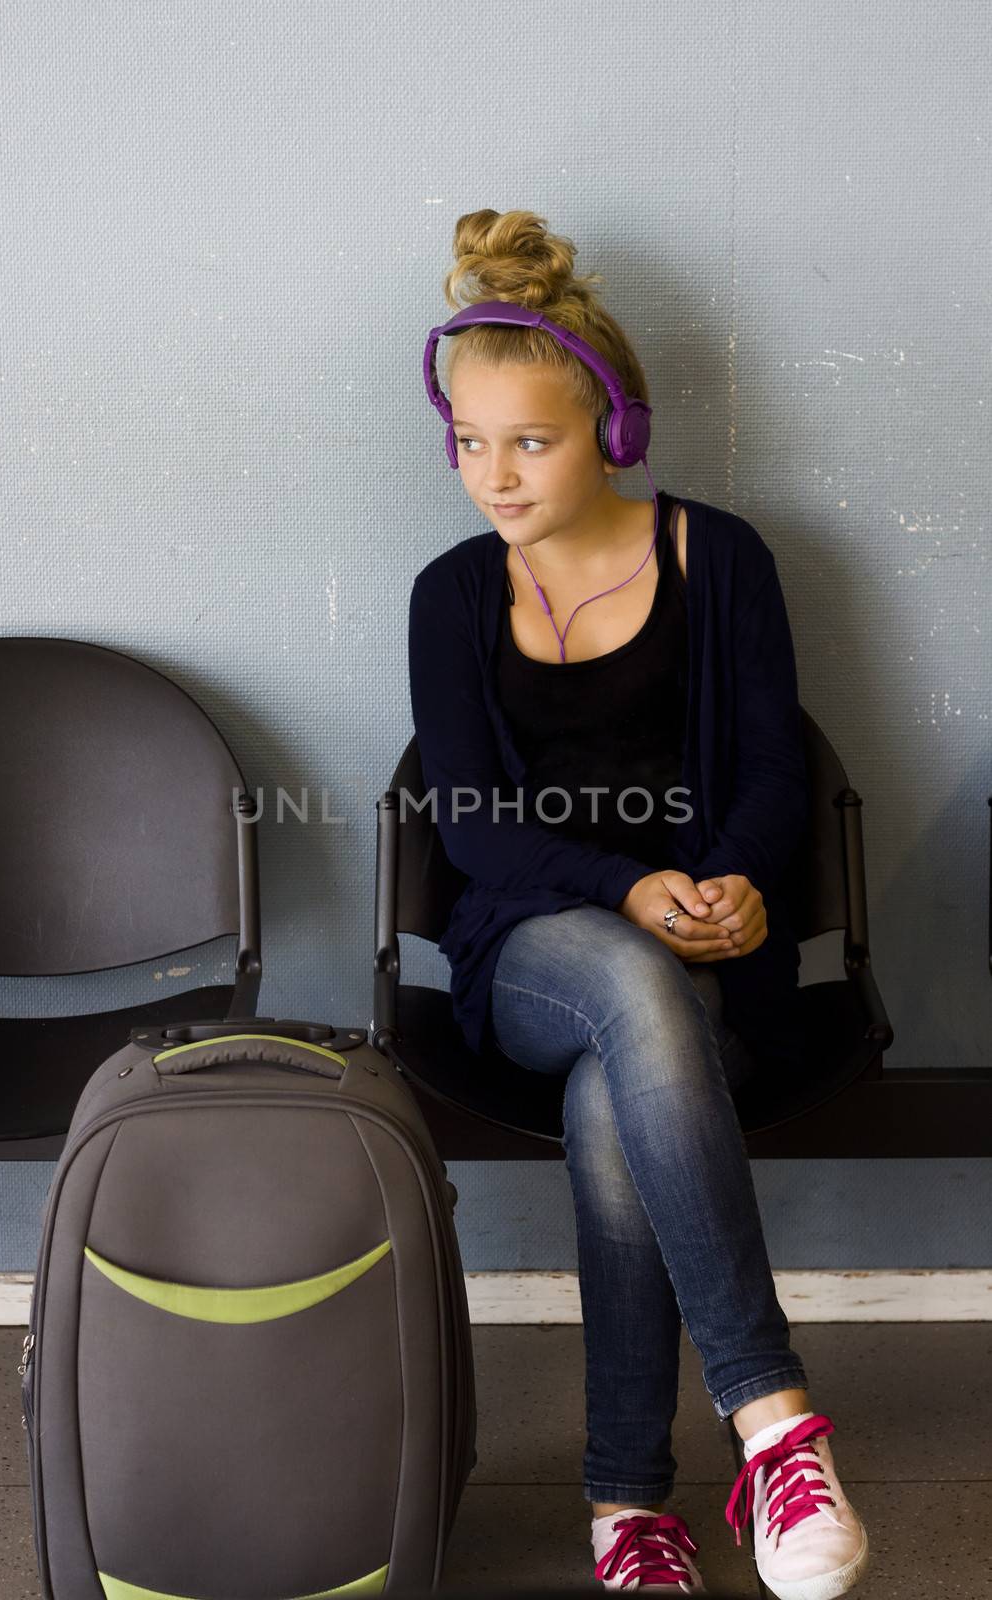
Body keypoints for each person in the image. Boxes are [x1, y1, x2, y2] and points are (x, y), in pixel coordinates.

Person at [408, 209, 870, 1597]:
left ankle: (629, 1514)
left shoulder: (720, 559)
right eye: (470, 440)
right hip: (533, 956)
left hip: (712, 957)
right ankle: (774, 1413)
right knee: (621, 977)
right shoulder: (448, 595)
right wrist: (628, 889)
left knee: (628, 1081)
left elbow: (778, 769)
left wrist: (728, 887)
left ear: (611, 430)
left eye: (528, 441)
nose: (493, 474)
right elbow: (478, 831)